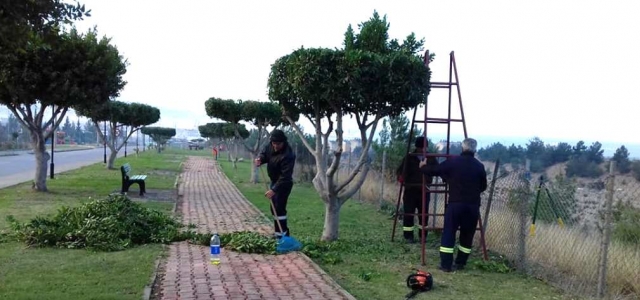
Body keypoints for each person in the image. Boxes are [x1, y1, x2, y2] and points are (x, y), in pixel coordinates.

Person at [419, 138, 487, 272]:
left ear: (462, 148)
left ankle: (446, 265)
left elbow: (436, 170)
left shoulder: (453, 162)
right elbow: (483, 186)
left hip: (455, 204)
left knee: (449, 232)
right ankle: (461, 263)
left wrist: (423, 167)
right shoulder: (479, 166)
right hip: (472, 206)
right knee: (467, 235)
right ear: (475, 149)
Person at [254, 129, 296, 238]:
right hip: (274, 181)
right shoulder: (270, 146)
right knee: (274, 208)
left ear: (283, 142)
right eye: (274, 143)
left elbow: (285, 176)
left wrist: (274, 190)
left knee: (279, 208)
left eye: (278, 144)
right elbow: (264, 154)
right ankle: (279, 234)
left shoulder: (288, 155)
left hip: (283, 184)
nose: (275, 146)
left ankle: (283, 235)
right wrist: (260, 159)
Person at [396, 136, 439, 243]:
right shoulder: (409, 157)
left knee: (424, 215)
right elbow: (400, 171)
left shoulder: (431, 158)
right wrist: (401, 177)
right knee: (408, 213)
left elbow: (438, 170)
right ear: (417, 147)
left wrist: (445, 176)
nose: (424, 150)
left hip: (425, 190)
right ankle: (408, 236)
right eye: (422, 147)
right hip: (410, 190)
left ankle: (423, 236)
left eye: (425, 147)